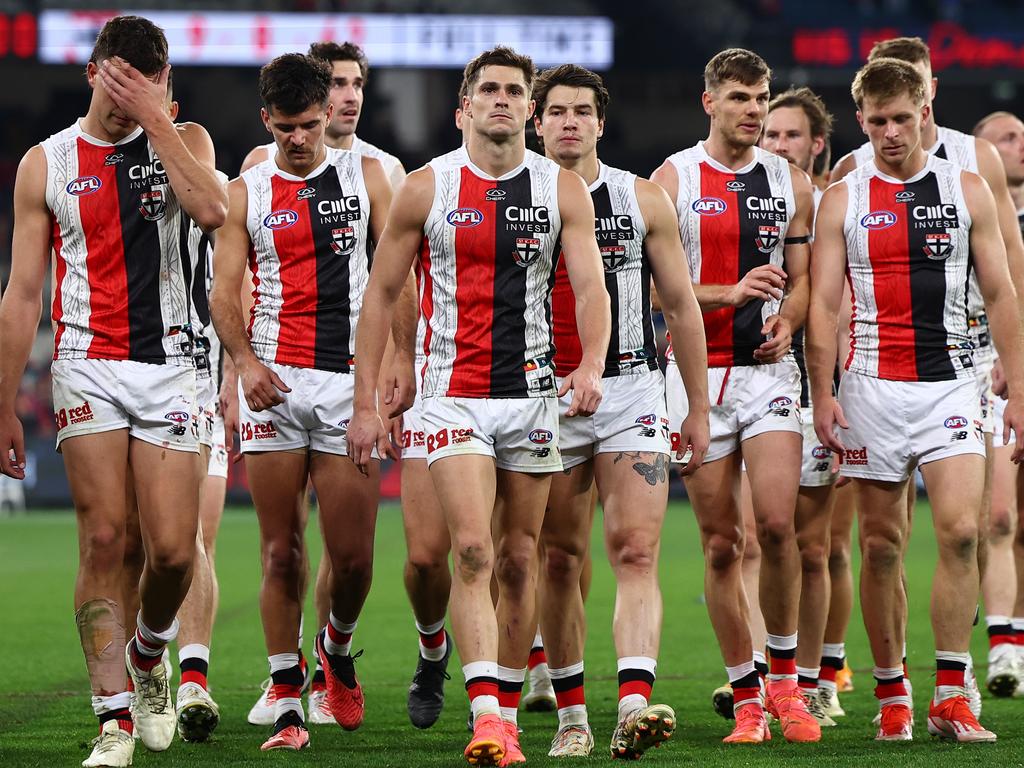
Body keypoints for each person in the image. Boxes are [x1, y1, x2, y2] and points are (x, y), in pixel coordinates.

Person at [347, 45, 611, 766]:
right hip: (450, 397)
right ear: (466, 106)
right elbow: (379, 295)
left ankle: (505, 701)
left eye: (512, 91)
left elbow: (590, 288)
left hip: (528, 397)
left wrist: (589, 363)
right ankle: (488, 715)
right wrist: (369, 403)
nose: (501, 100)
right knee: (469, 550)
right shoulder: (427, 187)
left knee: (521, 559)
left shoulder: (560, 189)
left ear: (529, 107)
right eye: (488, 89)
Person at [0, 14, 226, 767]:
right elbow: (22, 294)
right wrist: (3, 400)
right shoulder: (48, 162)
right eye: (119, 79)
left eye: (148, 83)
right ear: (93, 71)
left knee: (169, 553)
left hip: (174, 367)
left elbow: (213, 211)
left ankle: (151, 655)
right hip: (86, 362)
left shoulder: (186, 142)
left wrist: (158, 118)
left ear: (163, 83)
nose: (128, 96)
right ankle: (113, 722)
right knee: (103, 538)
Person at [808, 56, 1024, 743]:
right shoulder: (843, 195)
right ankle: (893, 693)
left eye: (903, 118)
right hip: (870, 388)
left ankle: (953, 695)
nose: (891, 132)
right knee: (881, 545)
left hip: (954, 383)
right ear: (863, 120)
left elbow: (1000, 292)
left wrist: (1017, 385)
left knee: (962, 532)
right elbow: (821, 303)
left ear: (924, 112)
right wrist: (822, 393)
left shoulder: (965, 188)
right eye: (877, 121)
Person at [210, 52, 402, 752]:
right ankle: (288, 700)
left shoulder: (370, 177)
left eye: (310, 124)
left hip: (347, 386)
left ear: (329, 115)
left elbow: (395, 283)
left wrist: (388, 377)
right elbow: (225, 292)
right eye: (285, 126)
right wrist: (244, 364)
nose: (298, 138)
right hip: (275, 386)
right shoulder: (245, 193)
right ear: (267, 120)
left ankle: (336, 647)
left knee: (351, 561)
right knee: (281, 552)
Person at [531, 64, 710, 758]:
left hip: (633, 390)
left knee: (636, 550)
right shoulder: (513, 199)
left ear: (602, 124)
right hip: (542, 396)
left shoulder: (640, 200)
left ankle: (633, 704)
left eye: (583, 111)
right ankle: (572, 717)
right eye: (557, 112)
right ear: (535, 123)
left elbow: (683, 305)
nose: (570, 122)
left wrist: (695, 407)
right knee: (558, 558)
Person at [651, 47, 817, 745]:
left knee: (777, 528)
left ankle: (786, 684)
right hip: (696, 379)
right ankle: (746, 695)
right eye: (742, 98)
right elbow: (656, 290)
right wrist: (730, 292)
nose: (754, 110)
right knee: (722, 544)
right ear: (709, 101)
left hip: (768, 376)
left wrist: (789, 319)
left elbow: (805, 278)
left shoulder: (791, 181)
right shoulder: (673, 178)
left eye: (762, 97)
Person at [759, 86, 841, 726]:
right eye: (770, 134)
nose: (777, 144)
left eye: (791, 136)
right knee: (758, 537)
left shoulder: (839, 198)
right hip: (767, 380)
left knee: (820, 548)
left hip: (832, 381)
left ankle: (821, 675)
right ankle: (766, 677)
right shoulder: (758, 198)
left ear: (817, 143)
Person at [174, 168, 231, 742]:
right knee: (136, 542)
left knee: (195, 536)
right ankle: (146, 663)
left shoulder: (217, 196)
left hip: (199, 391)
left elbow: (238, 296)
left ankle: (192, 676)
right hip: (127, 377)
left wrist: (233, 378)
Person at [973, 109, 1024, 695]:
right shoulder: (974, 213)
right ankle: (1004, 648)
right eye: (1006, 138)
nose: (1018, 146)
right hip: (991, 375)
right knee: (1000, 517)